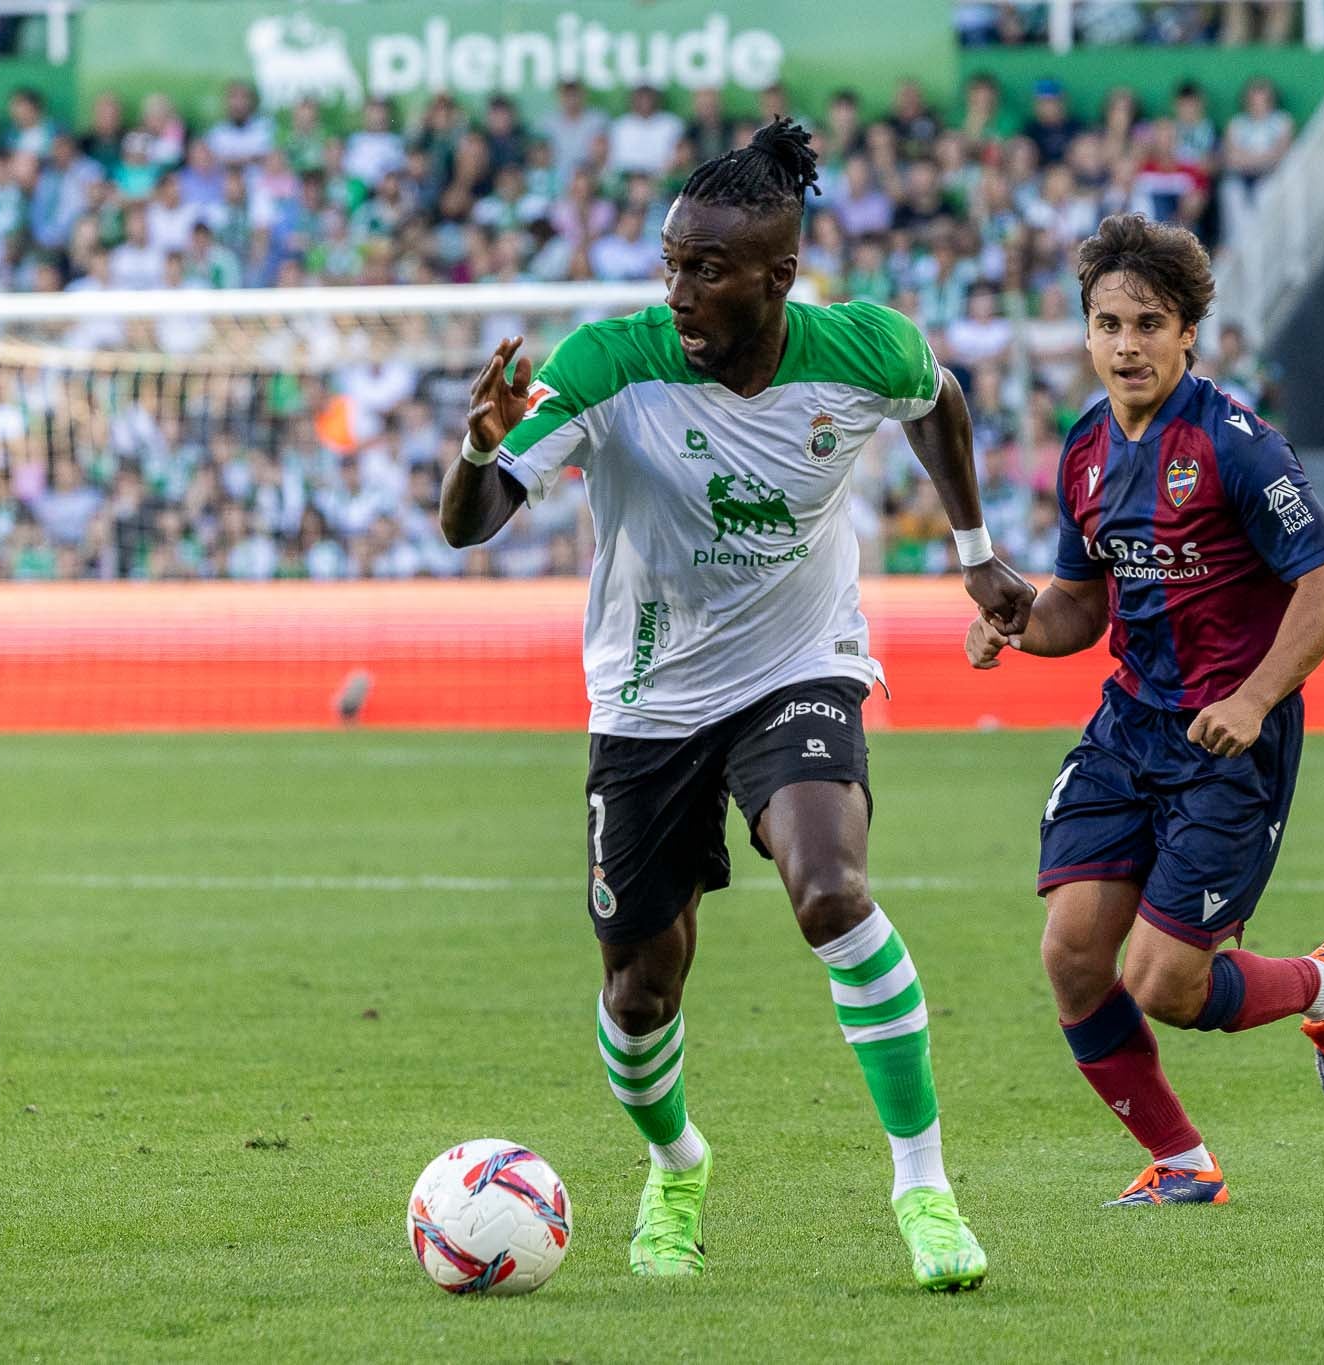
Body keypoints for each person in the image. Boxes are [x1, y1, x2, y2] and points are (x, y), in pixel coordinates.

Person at [438, 120, 1033, 1290]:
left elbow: (938, 401)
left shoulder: (863, 348)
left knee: (831, 889)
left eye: (705, 270)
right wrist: (476, 444)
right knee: (639, 985)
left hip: (795, 665)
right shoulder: (610, 362)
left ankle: (924, 1190)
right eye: (670, 262)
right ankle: (677, 1166)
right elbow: (469, 523)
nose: (678, 291)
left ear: (778, 276)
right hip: (647, 697)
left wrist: (974, 551)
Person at [962, 214, 1324, 1206]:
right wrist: (1014, 621)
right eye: (1107, 323)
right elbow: (1080, 610)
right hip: (1127, 729)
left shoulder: (1238, 446)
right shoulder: (1085, 450)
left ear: (1187, 333)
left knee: (1164, 986)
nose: (1125, 344)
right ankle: (1181, 1164)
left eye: (1148, 322)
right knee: (1069, 956)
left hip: (1226, 745)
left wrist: (1254, 695)